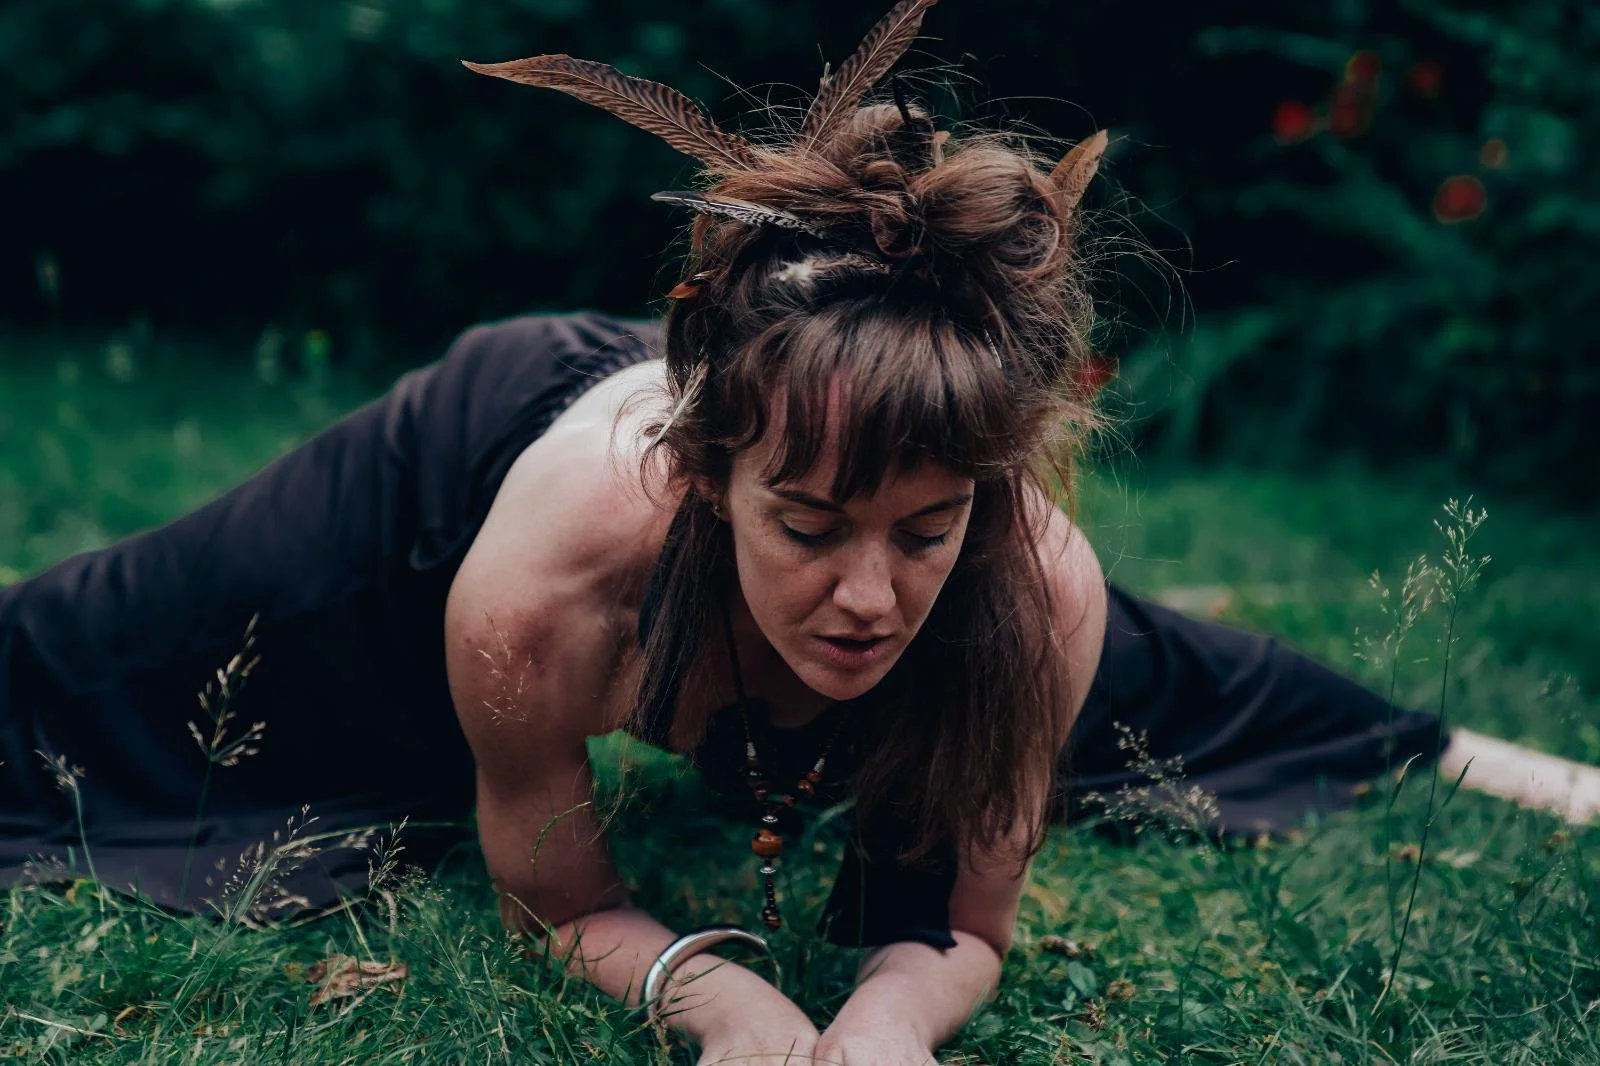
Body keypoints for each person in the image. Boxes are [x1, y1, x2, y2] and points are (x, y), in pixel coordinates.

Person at [2, 3, 1593, 1062]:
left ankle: (1465, 750)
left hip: (851, 449)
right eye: (814, 527)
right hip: (469, 474)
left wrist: (891, 1015)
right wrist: (722, 996)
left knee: (1129, 661)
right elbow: (553, 900)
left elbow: (961, 927)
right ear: (709, 480)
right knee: (82, 666)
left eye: (926, 528)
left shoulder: (1023, 576)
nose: (867, 594)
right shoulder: (550, 575)